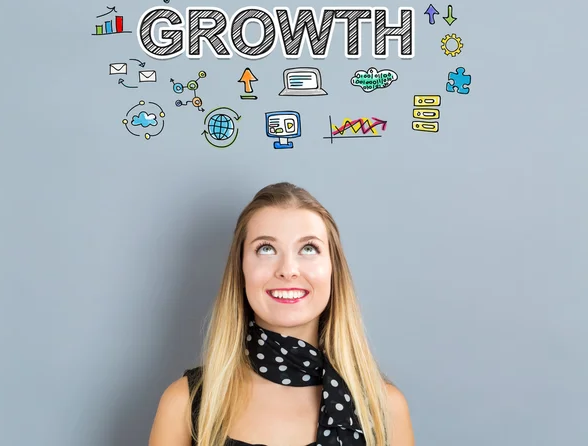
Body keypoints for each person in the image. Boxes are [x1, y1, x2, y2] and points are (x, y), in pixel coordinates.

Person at [149, 182, 414, 446]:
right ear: (241, 270)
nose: (288, 270)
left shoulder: (385, 410)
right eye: (266, 249)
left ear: (334, 271)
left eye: (308, 249)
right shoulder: (185, 404)